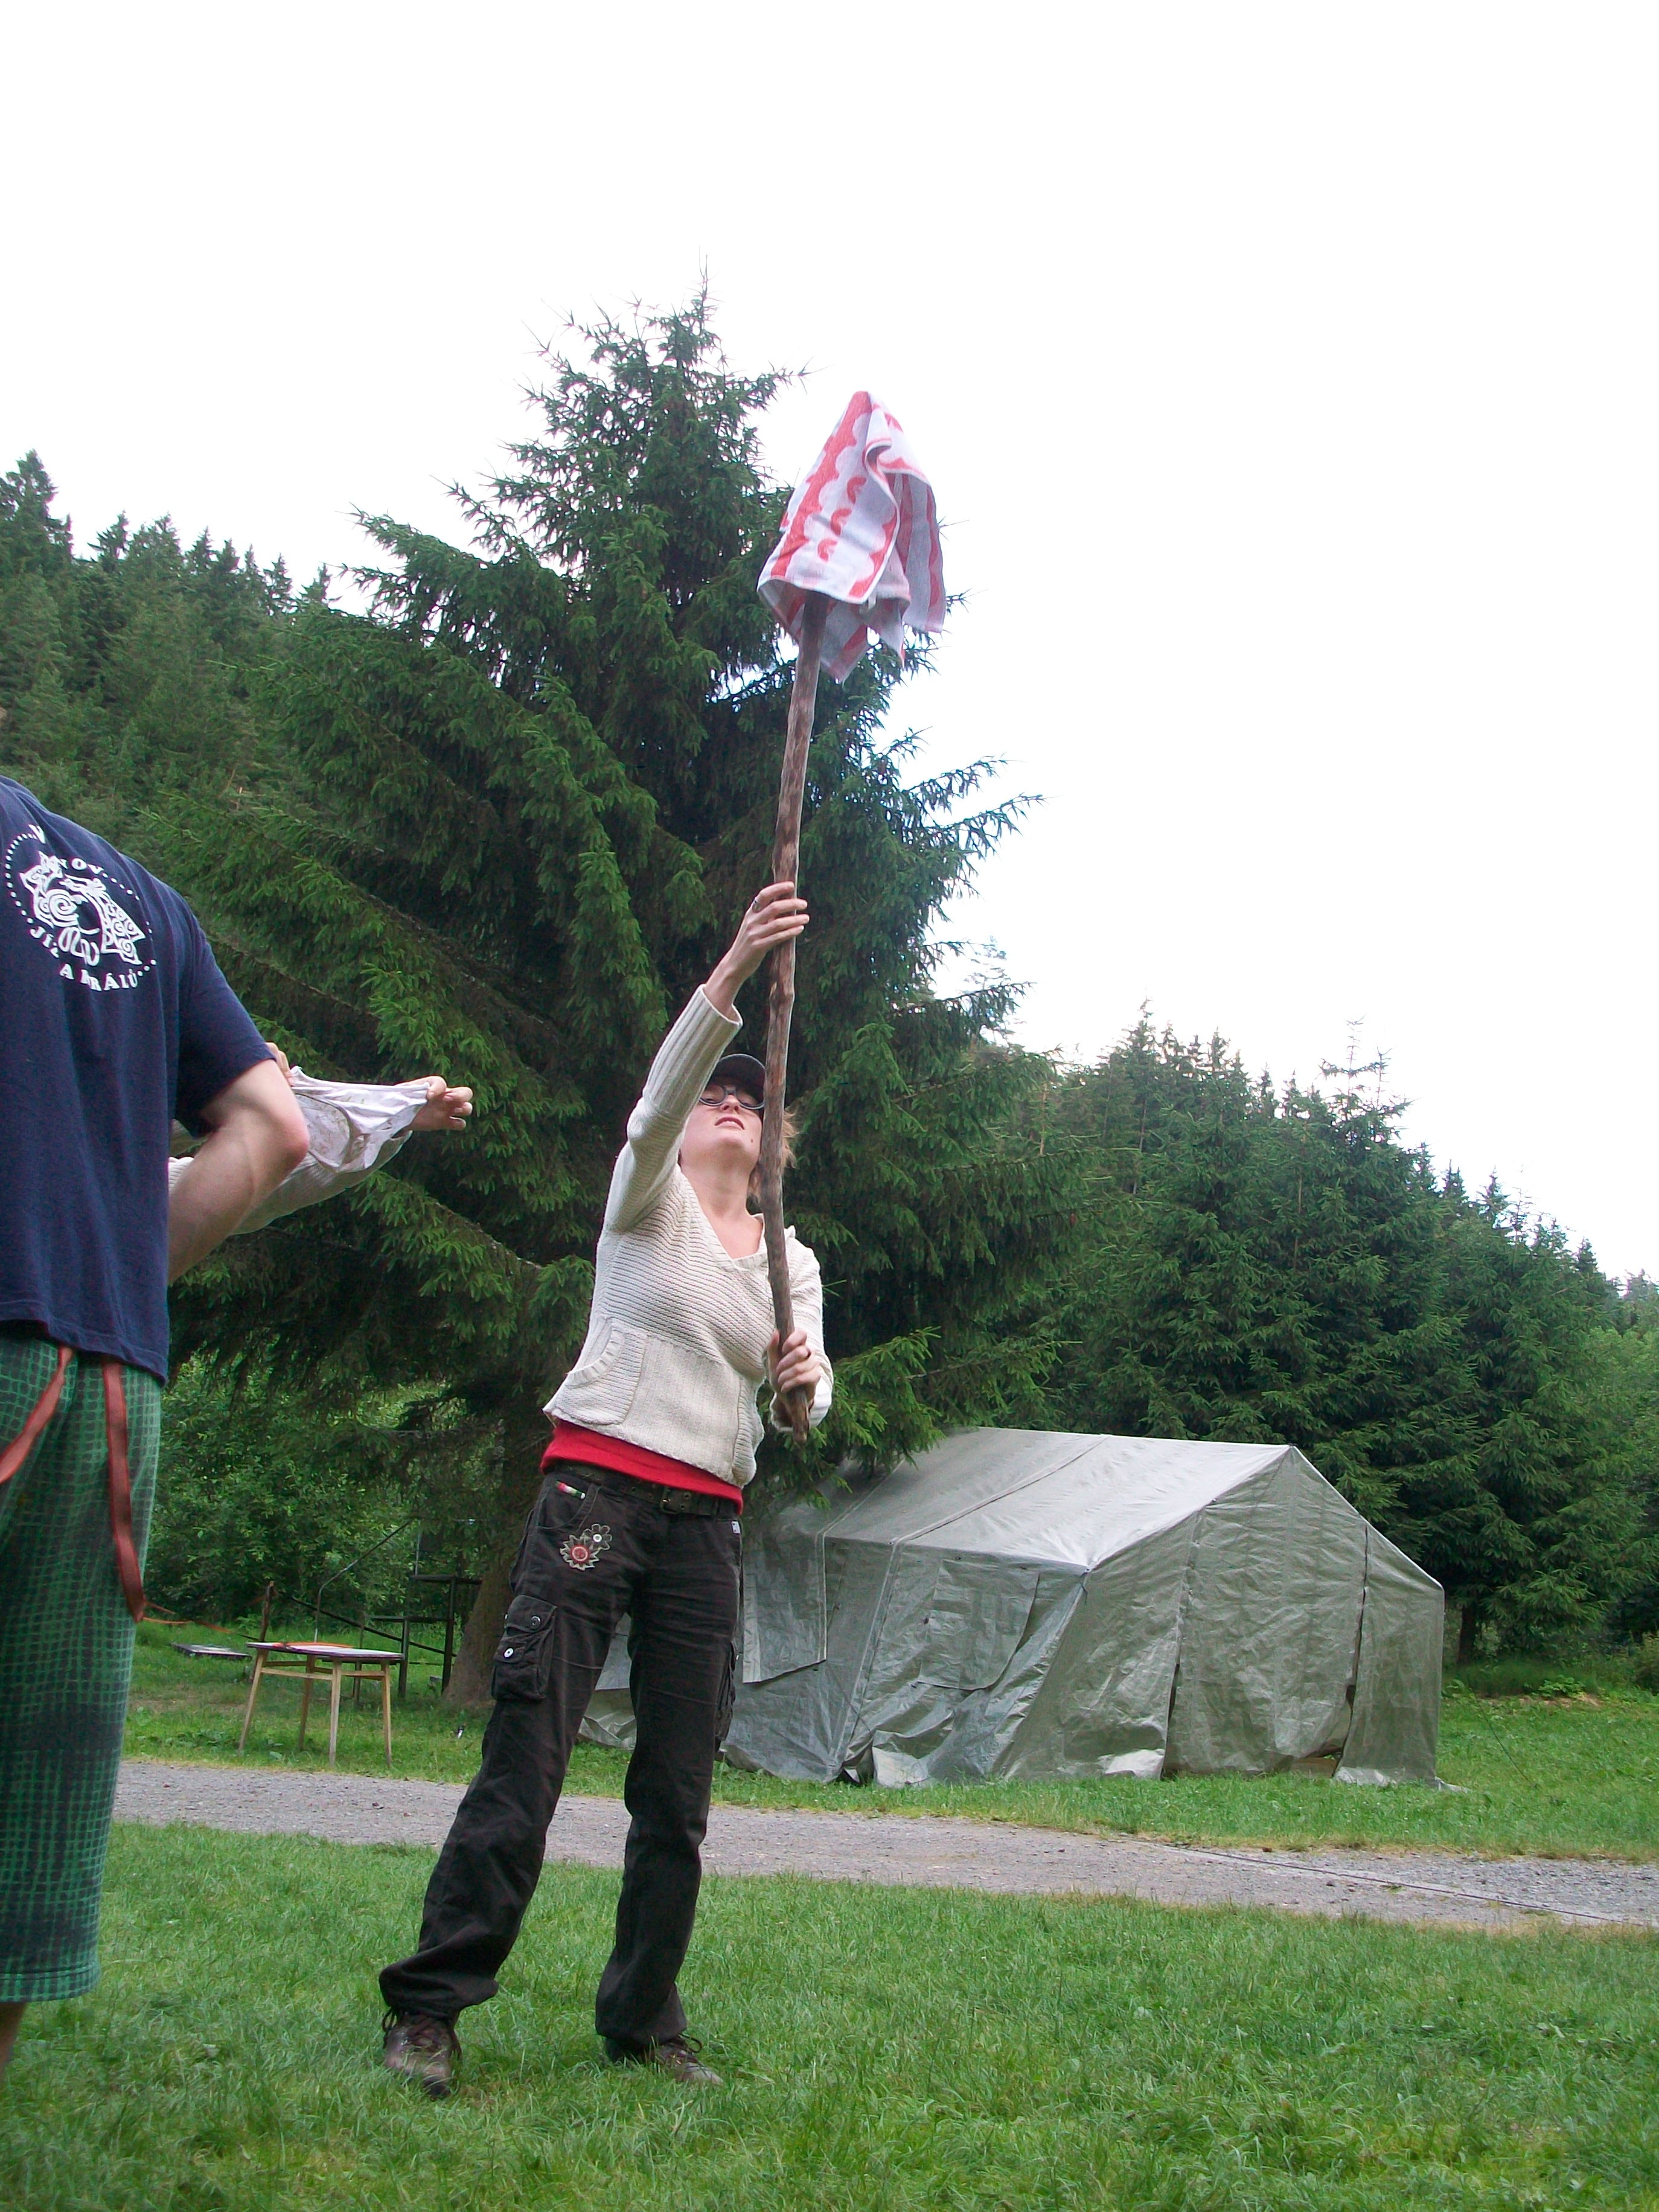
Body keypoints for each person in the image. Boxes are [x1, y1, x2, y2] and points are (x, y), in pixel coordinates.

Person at [379, 880, 831, 2095]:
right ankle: (430, 2007)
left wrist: (803, 1386)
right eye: (718, 1095)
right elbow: (655, 1106)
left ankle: (643, 2022)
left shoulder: (791, 1263)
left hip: (706, 1525)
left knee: (676, 1791)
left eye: (755, 1101)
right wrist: (733, 972)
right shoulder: (647, 1202)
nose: (733, 1104)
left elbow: (806, 1397)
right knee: (527, 1756)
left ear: (776, 1145)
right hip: (597, 1493)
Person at [0, 775, 310, 2078]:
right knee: (30, 1808)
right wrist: (122, 1268)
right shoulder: (145, 903)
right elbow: (276, 1127)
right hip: (112, 1388)